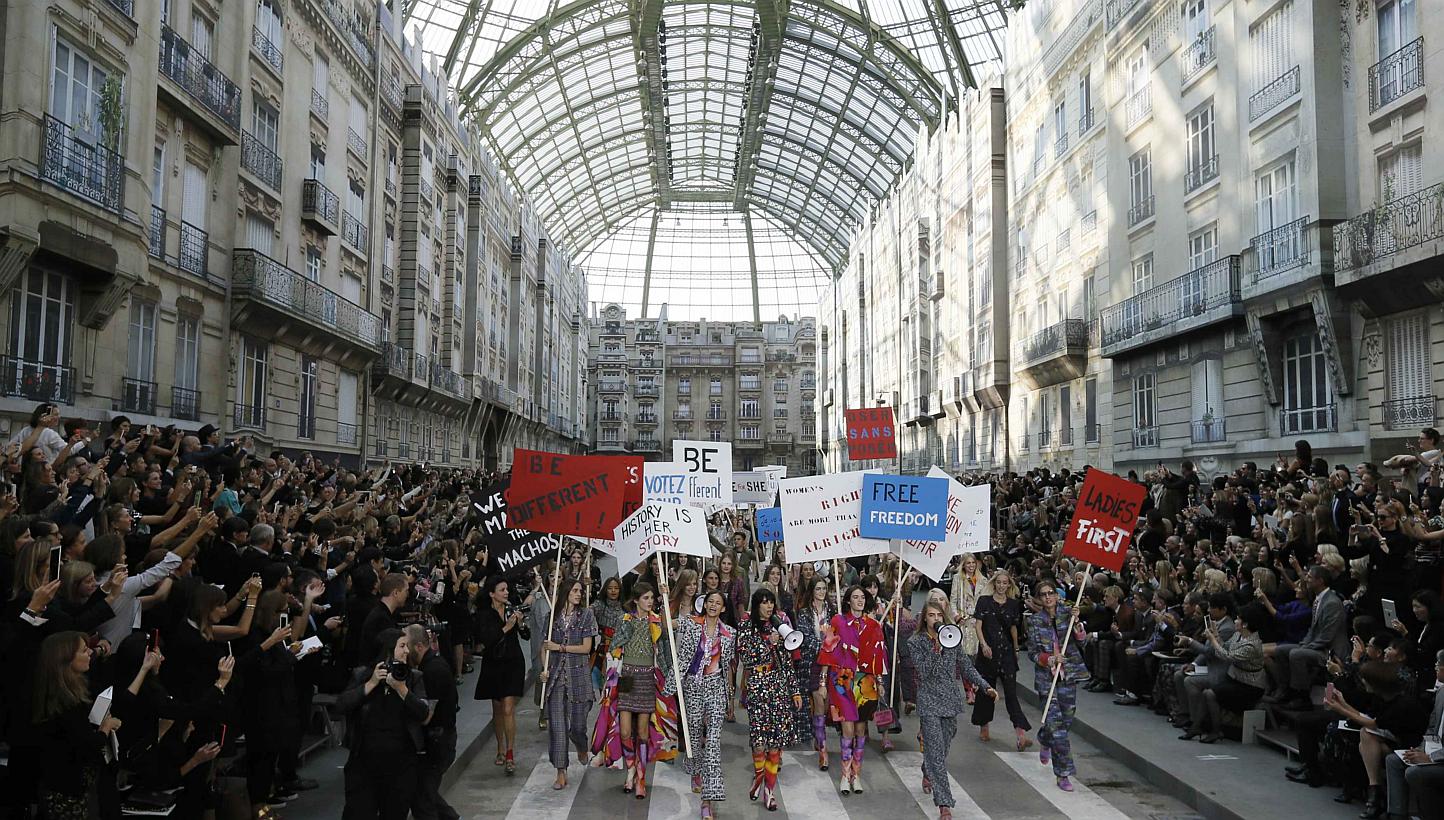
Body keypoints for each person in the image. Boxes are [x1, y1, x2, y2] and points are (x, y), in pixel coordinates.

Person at [910, 599, 997, 820]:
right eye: (931, 616)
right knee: (937, 754)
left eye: (939, 616)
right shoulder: (916, 642)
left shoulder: (952, 636)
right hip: (929, 701)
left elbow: (966, 666)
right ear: (925, 619)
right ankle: (944, 804)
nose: (936, 620)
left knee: (943, 745)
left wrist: (985, 687)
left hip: (949, 701)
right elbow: (923, 671)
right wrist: (935, 651)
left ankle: (927, 769)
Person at [337, 628, 431, 820]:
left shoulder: (413, 677)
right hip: (364, 764)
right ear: (388, 650)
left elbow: (423, 713)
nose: (407, 651)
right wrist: (371, 684)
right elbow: (341, 705)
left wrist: (402, 690)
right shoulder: (362, 674)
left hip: (401, 765)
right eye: (402, 646)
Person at [32, 631, 123, 819]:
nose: (90, 652)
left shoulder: (70, 692)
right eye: (83, 650)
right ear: (66, 660)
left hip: (71, 785)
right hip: (65, 791)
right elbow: (87, 746)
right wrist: (105, 727)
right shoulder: (65, 703)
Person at [666, 589, 734, 820]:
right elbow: (665, 622)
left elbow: (728, 668)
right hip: (693, 686)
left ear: (724, 608)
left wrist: (729, 698)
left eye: (718, 603)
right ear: (704, 605)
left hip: (716, 688)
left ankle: (708, 800)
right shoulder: (690, 624)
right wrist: (667, 597)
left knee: (713, 743)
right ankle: (695, 768)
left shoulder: (729, 634)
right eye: (710, 602)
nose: (713, 605)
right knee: (693, 734)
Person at [737, 588, 802, 811]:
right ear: (756, 605)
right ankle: (758, 777)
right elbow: (746, 656)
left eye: (771, 602)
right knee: (759, 741)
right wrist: (769, 644)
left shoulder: (780, 626)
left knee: (775, 743)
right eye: (764, 602)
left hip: (779, 688)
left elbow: (788, 663)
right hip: (757, 686)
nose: (769, 606)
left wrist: (794, 690)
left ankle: (769, 790)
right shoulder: (747, 626)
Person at [817, 584, 887, 795]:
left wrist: (881, 682)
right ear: (848, 600)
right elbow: (827, 650)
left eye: (862, 597)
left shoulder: (874, 625)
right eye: (855, 597)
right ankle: (845, 776)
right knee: (847, 729)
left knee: (860, 729)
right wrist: (822, 683)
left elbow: (879, 655)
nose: (860, 600)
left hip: (865, 682)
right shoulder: (838, 621)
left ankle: (857, 775)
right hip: (841, 680)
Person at [605, 581, 668, 798]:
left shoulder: (657, 621)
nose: (650, 602)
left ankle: (640, 776)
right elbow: (614, 646)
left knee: (642, 732)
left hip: (647, 678)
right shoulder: (625, 620)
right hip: (626, 677)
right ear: (636, 600)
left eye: (652, 598)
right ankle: (630, 769)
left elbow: (665, 649)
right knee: (624, 731)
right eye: (646, 598)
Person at [1026, 580, 1089, 792]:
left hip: (1069, 676)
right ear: (1039, 598)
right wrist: (1049, 659)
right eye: (1043, 594)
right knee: (1059, 730)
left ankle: (1044, 738)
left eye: (1050, 593)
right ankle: (1063, 773)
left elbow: (1082, 641)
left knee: (1066, 720)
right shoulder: (1035, 621)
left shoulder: (1069, 613)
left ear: (1057, 594)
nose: (1047, 597)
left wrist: (1078, 623)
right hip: (1047, 679)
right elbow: (1032, 652)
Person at [1180, 603, 1268, 743]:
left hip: (1250, 686)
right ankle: (1197, 726)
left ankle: (1216, 730)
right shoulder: (1238, 635)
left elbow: (1227, 656)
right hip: (1234, 678)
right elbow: (1224, 647)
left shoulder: (1252, 645)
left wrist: (1212, 639)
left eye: (1238, 619)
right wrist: (1216, 635)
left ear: (1245, 624)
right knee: (1206, 692)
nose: (1235, 621)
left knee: (1210, 693)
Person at [540, 579, 597, 790]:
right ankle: (561, 771)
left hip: (578, 678)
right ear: (565, 592)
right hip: (556, 678)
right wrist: (543, 669)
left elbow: (586, 648)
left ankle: (582, 746)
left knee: (578, 726)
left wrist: (560, 647)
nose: (578, 594)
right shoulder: (551, 618)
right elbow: (545, 647)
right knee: (557, 726)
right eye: (575, 590)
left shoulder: (586, 615)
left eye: (580, 591)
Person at [473, 574, 530, 775]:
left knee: (508, 708)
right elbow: (488, 639)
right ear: (491, 594)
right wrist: (507, 626)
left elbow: (526, 634)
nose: (506, 593)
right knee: (497, 709)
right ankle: (499, 748)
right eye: (502, 590)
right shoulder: (483, 614)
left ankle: (510, 752)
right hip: (494, 663)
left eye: (507, 589)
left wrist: (520, 623)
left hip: (513, 661)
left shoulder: (511, 608)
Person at [972, 568, 1032, 750]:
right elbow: (978, 625)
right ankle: (984, 726)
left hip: (1006, 652)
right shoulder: (984, 601)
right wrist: (983, 645)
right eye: (999, 582)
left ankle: (1020, 732)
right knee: (986, 690)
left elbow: (1014, 628)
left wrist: (1015, 648)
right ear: (994, 583)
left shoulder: (1014, 605)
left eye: (1005, 583)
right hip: (988, 651)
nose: (1001, 586)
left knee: (1011, 693)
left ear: (1009, 585)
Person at [408, 624, 460, 820]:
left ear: (419, 646)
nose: (405, 651)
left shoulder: (433, 670)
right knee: (424, 793)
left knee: (423, 798)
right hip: (438, 740)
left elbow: (426, 715)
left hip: (439, 742)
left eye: (407, 646)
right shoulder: (429, 666)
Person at [794, 575, 834, 770]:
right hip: (811, 663)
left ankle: (820, 734)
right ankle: (822, 749)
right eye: (818, 589)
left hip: (830, 664)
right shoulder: (804, 613)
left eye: (823, 589)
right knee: (818, 699)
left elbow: (837, 634)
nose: (821, 592)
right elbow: (805, 637)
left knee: (824, 704)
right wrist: (826, 646)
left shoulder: (832, 610)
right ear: (812, 591)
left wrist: (832, 646)